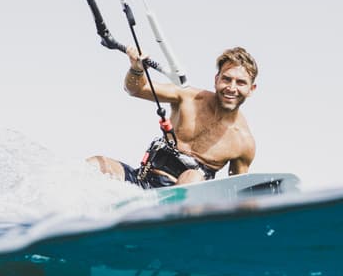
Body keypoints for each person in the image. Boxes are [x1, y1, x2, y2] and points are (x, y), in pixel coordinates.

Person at [87, 45, 258, 189]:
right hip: (141, 181)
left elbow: (236, 190)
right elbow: (136, 89)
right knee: (95, 164)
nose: (231, 88)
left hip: (184, 199)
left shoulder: (243, 144)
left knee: (192, 177)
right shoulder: (188, 97)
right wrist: (136, 68)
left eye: (241, 82)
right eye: (226, 79)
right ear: (216, 79)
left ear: (251, 89)